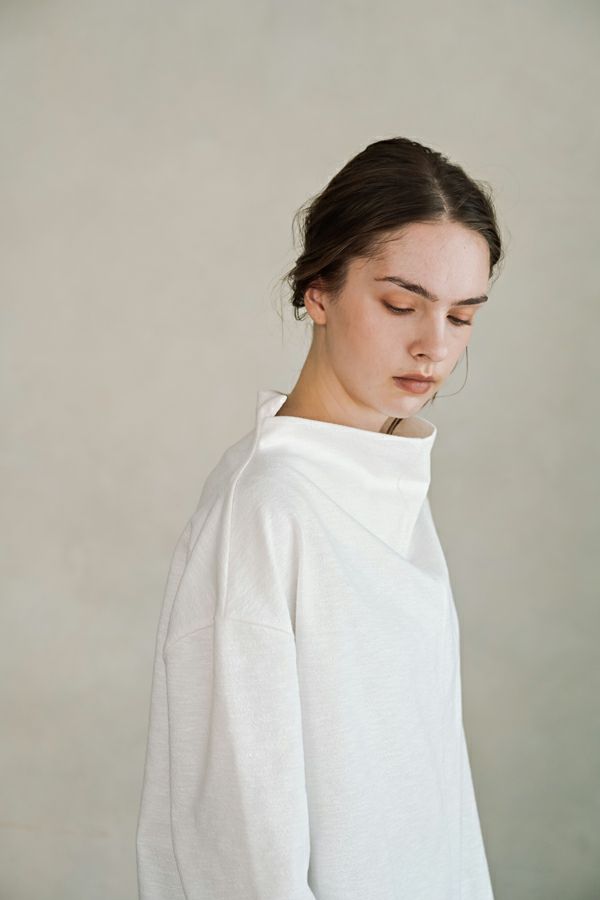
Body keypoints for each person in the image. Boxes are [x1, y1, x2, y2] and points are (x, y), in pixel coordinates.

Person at [136, 135, 503, 899]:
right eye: (401, 304)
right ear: (319, 292)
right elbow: (234, 840)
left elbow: (427, 799)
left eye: (463, 316)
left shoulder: (387, 482)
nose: (433, 346)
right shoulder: (269, 508)